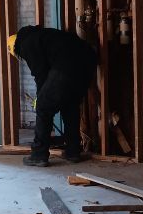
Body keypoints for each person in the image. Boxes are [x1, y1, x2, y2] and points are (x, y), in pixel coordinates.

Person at [8, 25, 97, 166]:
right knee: (70, 106)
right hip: (88, 63)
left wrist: (40, 98)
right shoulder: (43, 36)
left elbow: (41, 75)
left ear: (15, 48)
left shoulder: (26, 44)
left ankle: (39, 155)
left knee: (43, 108)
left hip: (67, 65)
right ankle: (73, 152)